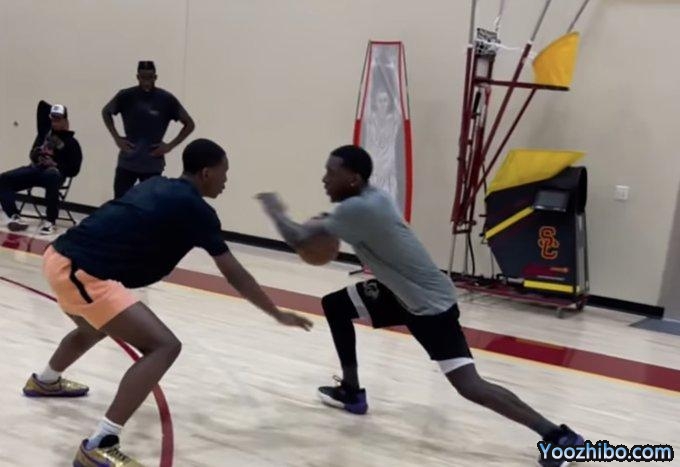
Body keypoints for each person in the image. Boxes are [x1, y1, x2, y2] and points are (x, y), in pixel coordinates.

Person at [256, 145, 583, 467]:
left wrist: (274, 209)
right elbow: (327, 230)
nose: (324, 179)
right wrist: (322, 222)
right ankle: (352, 392)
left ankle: (559, 437)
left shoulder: (357, 210)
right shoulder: (372, 198)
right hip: (399, 293)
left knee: (469, 385)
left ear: (353, 178)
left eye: (331, 172)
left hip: (430, 306)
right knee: (336, 305)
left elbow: (300, 239)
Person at [23, 138, 312, 466]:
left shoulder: (156, 184)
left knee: (93, 326)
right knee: (164, 346)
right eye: (224, 172)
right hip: (82, 272)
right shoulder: (197, 210)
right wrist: (276, 313)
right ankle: (100, 443)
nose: (226, 180)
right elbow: (234, 274)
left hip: (58, 256)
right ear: (206, 173)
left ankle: (45, 381)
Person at [102, 60, 195, 199]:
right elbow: (106, 112)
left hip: (152, 163)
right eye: (143, 77)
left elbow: (189, 124)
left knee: (149, 203)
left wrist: (170, 146)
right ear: (137, 77)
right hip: (128, 161)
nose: (146, 82)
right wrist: (116, 138)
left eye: (150, 77)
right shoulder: (126, 96)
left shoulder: (166, 99)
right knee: (120, 202)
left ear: (155, 77)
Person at [0, 102, 82, 235]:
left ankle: (51, 221)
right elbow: (32, 153)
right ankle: (14, 216)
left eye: (58, 119)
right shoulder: (45, 135)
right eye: (53, 119)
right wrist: (38, 156)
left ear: (65, 121)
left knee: (52, 176)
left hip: (55, 174)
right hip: (35, 170)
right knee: (4, 178)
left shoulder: (72, 143)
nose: (54, 122)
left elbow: (74, 169)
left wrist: (55, 165)